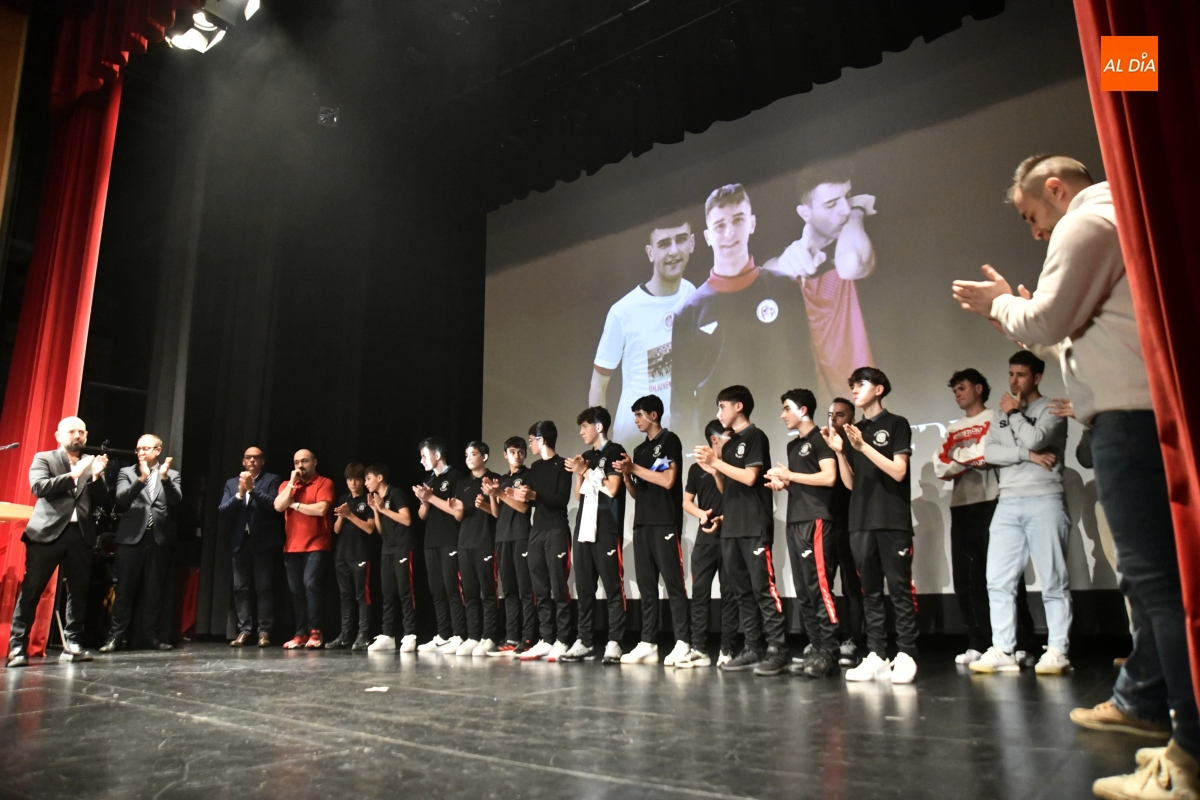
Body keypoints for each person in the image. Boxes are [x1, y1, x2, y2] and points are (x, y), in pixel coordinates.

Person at [955, 155, 1197, 799]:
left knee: (1157, 581)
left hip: (1130, 419)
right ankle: (1144, 696)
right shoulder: (1113, 219)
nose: (1036, 231)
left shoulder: (1087, 220)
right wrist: (1021, 315)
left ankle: (1191, 752)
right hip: (1129, 416)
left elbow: (1045, 323)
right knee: (1147, 580)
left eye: (1031, 215)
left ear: (1055, 189)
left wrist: (1002, 305)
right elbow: (1064, 338)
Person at [670, 184, 813, 448]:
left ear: (752, 223)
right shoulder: (688, 312)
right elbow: (681, 402)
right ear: (707, 236)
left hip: (783, 436)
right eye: (719, 225)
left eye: (738, 220)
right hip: (721, 447)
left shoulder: (784, 288)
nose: (729, 232)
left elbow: (805, 366)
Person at [969, 351, 1071, 676]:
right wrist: (1028, 455)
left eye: (1021, 375)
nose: (1013, 381)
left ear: (1036, 377)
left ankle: (1058, 650)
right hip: (1008, 501)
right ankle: (1003, 649)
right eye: (1011, 374)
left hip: (1045, 498)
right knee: (997, 580)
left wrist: (1015, 416)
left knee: (1053, 579)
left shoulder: (1052, 409)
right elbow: (990, 452)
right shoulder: (1000, 412)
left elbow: (1037, 438)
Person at [933, 369, 1037, 667]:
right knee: (968, 579)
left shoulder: (995, 418)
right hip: (962, 506)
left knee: (1005, 576)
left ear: (979, 388)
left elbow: (991, 454)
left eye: (962, 388)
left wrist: (963, 457)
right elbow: (940, 466)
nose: (957, 394)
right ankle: (979, 643)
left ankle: (1023, 644)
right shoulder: (953, 428)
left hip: (995, 502)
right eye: (954, 390)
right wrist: (972, 458)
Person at [826, 367, 918, 685]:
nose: (854, 389)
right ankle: (877, 654)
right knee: (871, 592)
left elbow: (899, 471)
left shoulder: (896, 423)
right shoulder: (854, 431)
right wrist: (841, 453)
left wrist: (864, 446)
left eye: (861, 384)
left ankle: (906, 654)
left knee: (900, 589)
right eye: (852, 385)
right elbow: (851, 484)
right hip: (860, 521)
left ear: (879, 389)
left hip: (892, 520)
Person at [694, 385, 788, 677]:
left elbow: (750, 477)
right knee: (741, 592)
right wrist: (716, 471)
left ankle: (778, 649)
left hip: (753, 525)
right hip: (731, 527)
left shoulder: (754, 436)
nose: (719, 412)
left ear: (738, 407)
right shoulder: (729, 443)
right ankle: (753, 647)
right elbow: (727, 489)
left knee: (763, 589)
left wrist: (716, 462)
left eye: (722, 406)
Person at [768, 160, 877, 400]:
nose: (844, 209)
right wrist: (783, 265)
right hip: (817, 402)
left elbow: (851, 264)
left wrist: (857, 212)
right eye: (831, 204)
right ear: (805, 213)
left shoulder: (859, 236)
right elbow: (765, 273)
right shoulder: (792, 254)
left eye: (847, 197)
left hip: (869, 398)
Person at [7, 417, 108, 668]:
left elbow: (103, 499)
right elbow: (39, 487)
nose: (78, 436)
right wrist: (74, 474)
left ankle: (73, 644)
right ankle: (17, 647)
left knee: (78, 591)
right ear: (58, 435)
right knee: (32, 590)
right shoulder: (44, 458)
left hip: (80, 534)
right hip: (46, 533)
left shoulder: (91, 462)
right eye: (72, 431)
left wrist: (96, 476)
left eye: (82, 432)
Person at [590, 223, 698, 444]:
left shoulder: (692, 294)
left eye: (680, 239)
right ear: (650, 252)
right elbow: (598, 386)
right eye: (664, 244)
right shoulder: (622, 312)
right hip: (636, 440)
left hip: (683, 435)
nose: (674, 251)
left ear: (692, 243)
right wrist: (600, 444)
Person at [764, 389, 840, 679]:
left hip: (816, 520)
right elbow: (805, 482)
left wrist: (791, 476)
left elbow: (829, 477)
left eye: (787, 408)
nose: (783, 414)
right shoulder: (793, 446)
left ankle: (829, 650)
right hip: (796, 520)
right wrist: (784, 484)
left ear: (803, 409)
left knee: (819, 588)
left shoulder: (821, 439)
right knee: (804, 591)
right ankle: (816, 646)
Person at [615, 394, 689, 666]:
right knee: (647, 587)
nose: (635, 420)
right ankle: (648, 642)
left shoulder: (669, 440)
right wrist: (627, 476)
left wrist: (634, 468)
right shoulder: (639, 450)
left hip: (665, 521)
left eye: (639, 415)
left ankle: (683, 641)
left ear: (653, 415)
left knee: (673, 583)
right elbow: (638, 492)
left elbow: (668, 480)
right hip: (643, 523)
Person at [100, 434, 182, 652]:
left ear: (158, 450)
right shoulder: (127, 473)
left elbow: (176, 500)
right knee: (124, 590)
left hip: (158, 538)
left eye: (146, 448)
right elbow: (122, 498)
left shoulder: (171, 474)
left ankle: (151, 637)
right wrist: (142, 479)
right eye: (138, 449)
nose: (141, 453)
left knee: (154, 591)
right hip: (131, 538)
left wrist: (164, 478)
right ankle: (115, 637)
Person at [563, 407, 627, 664]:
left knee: (612, 587)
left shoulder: (615, 451)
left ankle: (615, 641)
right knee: (584, 588)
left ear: (598, 427)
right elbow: (578, 496)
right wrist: (579, 473)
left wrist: (586, 472)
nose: (581, 432)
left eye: (585, 427)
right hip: (584, 528)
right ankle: (585, 640)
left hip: (606, 528)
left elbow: (612, 489)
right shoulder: (587, 456)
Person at [675, 419, 740, 668]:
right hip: (705, 538)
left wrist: (717, 472)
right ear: (714, 439)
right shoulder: (695, 469)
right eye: (727, 435)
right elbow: (686, 501)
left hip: (730, 535)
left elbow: (732, 496)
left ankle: (727, 648)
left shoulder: (732, 466)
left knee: (729, 594)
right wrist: (701, 514)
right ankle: (699, 648)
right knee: (700, 593)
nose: (732, 439)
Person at [510, 421, 575, 661]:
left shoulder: (563, 465)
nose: (530, 445)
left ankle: (563, 640)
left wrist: (534, 494)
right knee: (540, 587)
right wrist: (518, 495)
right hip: (537, 531)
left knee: (558, 585)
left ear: (542, 439)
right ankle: (546, 639)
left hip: (556, 529)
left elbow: (561, 499)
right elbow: (532, 500)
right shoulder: (535, 468)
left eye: (531, 441)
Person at [217, 447, 283, 647]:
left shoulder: (272, 480)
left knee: (263, 587)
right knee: (240, 588)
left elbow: (273, 505)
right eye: (248, 458)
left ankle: (264, 631)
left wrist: (252, 489)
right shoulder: (231, 483)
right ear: (243, 461)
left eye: (256, 458)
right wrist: (239, 494)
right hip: (239, 542)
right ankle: (244, 630)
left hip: (263, 542)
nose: (252, 461)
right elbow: (223, 510)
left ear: (262, 461)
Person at [273, 449, 334, 650]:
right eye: (297, 462)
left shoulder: (324, 483)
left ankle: (316, 631)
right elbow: (278, 506)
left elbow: (321, 509)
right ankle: (301, 632)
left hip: (316, 544)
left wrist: (295, 505)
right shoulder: (287, 485)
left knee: (311, 585)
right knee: (295, 590)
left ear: (314, 462)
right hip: (292, 546)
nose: (300, 465)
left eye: (305, 461)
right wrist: (292, 483)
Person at [412, 437, 468, 654]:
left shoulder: (456, 477)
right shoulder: (428, 480)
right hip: (431, 541)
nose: (422, 461)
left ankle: (458, 634)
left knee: (452, 588)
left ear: (437, 455)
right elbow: (422, 515)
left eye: (424, 456)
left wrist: (431, 497)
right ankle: (443, 634)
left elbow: (456, 512)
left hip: (450, 539)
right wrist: (424, 501)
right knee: (436, 589)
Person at [482, 437, 536, 656]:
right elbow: (496, 513)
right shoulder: (503, 480)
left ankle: (527, 638)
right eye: (512, 452)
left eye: (521, 451)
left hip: (521, 536)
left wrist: (500, 494)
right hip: (502, 537)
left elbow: (523, 508)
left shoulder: (528, 476)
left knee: (525, 590)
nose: (517, 456)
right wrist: (492, 497)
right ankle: (512, 637)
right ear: (505, 455)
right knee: (509, 590)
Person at [826, 398, 864, 666]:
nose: (834, 420)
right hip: (828, 522)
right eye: (831, 415)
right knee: (825, 583)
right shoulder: (824, 444)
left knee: (852, 584)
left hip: (852, 522)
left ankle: (853, 638)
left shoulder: (856, 445)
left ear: (852, 419)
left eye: (840, 415)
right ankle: (827, 639)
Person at [455, 442, 502, 656]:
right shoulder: (462, 483)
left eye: (473, 454)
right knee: (470, 592)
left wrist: (487, 501)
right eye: (466, 454)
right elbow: (458, 516)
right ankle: (473, 635)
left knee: (488, 592)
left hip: (485, 541)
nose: (468, 458)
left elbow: (498, 513)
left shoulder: (495, 479)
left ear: (484, 457)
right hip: (464, 542)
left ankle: (489, 636)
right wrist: (456, 509)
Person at [364, 464, 416, 653]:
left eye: (368, 479)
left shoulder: (395, 493)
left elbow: (407, 519)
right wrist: (376, 510)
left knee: (405, 592)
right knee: (388, 593)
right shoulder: (378, 500)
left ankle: (409, 633)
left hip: (402, 548)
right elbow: (380, 530)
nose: (365, 483)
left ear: (379, 478)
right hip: (387, 549)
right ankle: (388, 634)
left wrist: (383, 509)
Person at [328, 463, 374, 650]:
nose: (353, 483)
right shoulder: (343, 499)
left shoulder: (368, 499)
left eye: (357, 479)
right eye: (349, 480)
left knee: (362, 595)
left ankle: (363, 634)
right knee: (345, 595)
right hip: (342, 555)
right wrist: (342, 515)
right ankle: (345, 634)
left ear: (363, 481)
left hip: (360, 553)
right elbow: (336, 530)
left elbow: (370, 528)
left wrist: (350, 515)